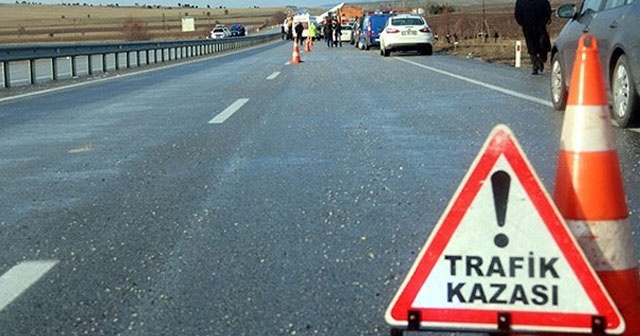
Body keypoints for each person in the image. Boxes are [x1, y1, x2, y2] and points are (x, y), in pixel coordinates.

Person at [515, 0, 552, 75]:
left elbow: (517, 15)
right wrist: (545, 21)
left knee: (534, 46)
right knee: (539, 44)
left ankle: (537, 63)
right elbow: (547, 11)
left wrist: (523, 23)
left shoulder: (520, 1)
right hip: (537, 26)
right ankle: (537, 63)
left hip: (530, 26)